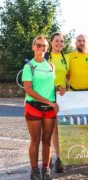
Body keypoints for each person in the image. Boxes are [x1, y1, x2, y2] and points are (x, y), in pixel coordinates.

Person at [22, 36, 60, 180]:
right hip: (34, 107)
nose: (41, 48)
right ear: (33, 47)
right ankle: (34, 171)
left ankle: (46, 170)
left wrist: (60, 88)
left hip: (49, 109)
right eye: (38, 45)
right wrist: (49, 102)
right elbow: (29, 90)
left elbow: (49, 86)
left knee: (47, 141)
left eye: (44, 45)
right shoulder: (29, 66)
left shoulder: (51, 66)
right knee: (35, 141)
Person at [48, 32, 69, 173]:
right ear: (51, 42)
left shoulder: (66, 58)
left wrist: (65, 88)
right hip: (47, 96)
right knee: (49, 129)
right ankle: (50, 158)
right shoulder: (45, 57)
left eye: (61, 41)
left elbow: (67, 77)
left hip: (62, 97)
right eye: (56, 41)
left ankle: (58, 158)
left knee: (58, 129)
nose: (59, 43)